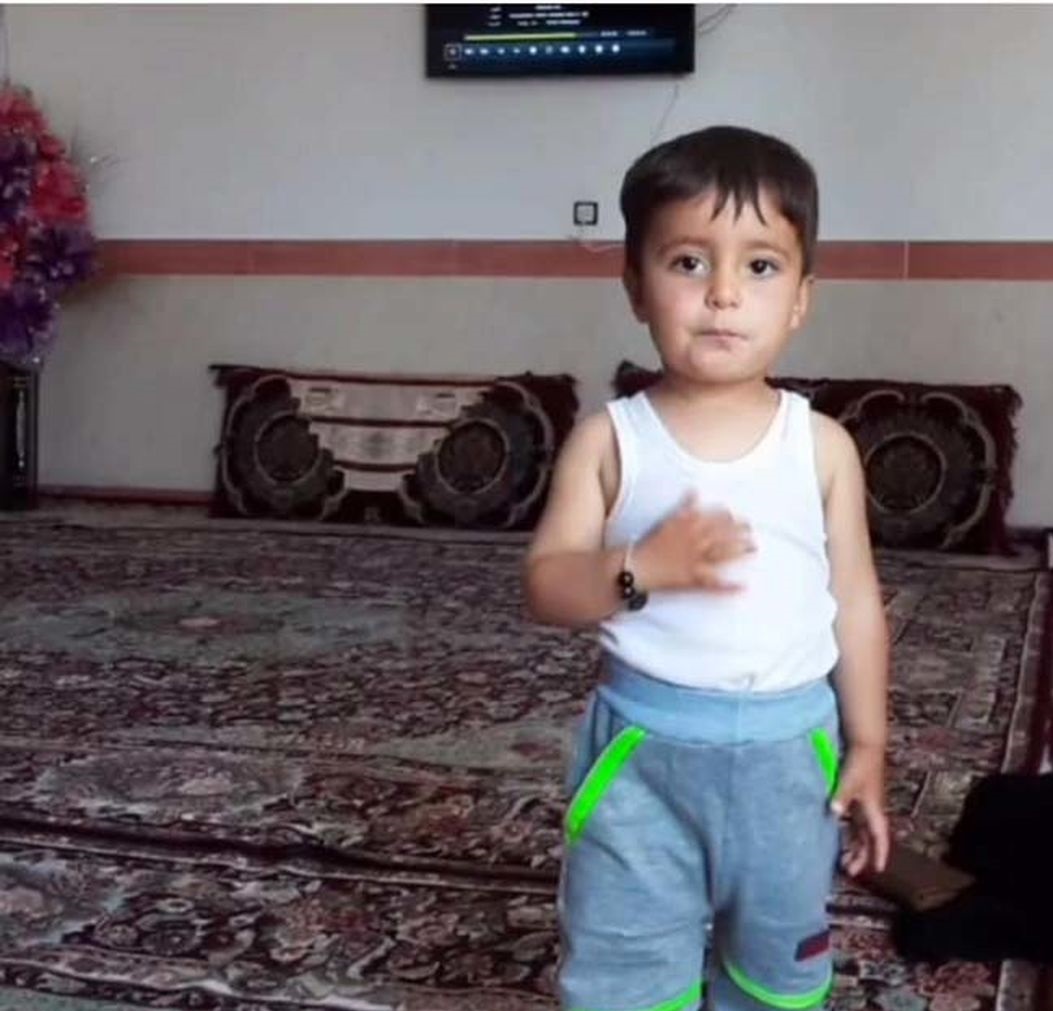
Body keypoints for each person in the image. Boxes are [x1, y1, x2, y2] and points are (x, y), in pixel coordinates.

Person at [523, 125, 889, 1011]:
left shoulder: (821, 447)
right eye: (688, 262)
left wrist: (869, 744)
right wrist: (635, 568)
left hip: (790, 757)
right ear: (634, 286)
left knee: (775, 973)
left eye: (759, 266)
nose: (722, 293)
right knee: (623, 971)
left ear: (799, 298)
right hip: (641, 753)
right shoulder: (609, 440)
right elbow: (546, 584)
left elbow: (854, 601)